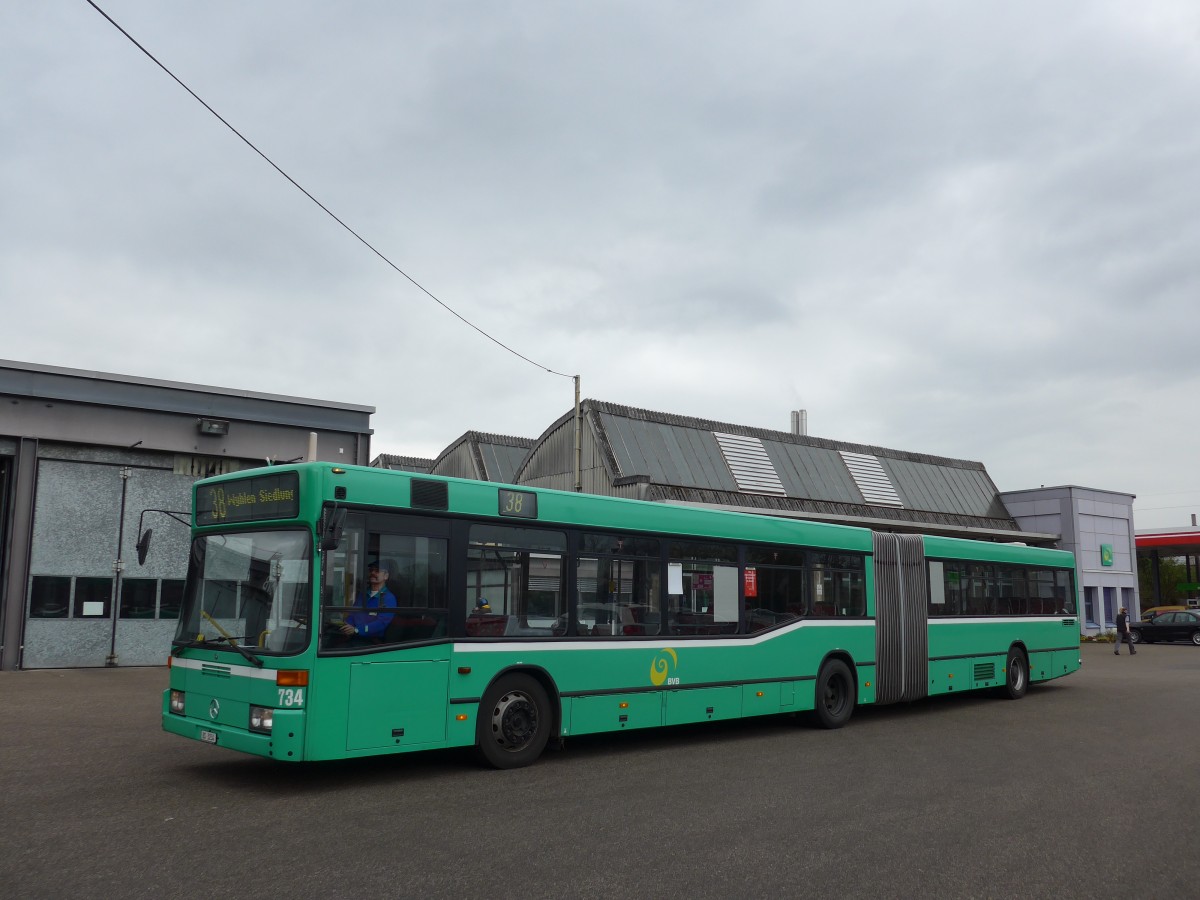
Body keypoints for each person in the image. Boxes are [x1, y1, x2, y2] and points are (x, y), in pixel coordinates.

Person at [339, 561, 397, 641]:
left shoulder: (387, 598)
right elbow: (353, 614)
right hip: (355, 637)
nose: (372, 573)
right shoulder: (363, 595)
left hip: (372, 642)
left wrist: (357, 630)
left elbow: (381, 623)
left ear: (386, 576)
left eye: (377, 571)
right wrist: (346, 625)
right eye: (371, 570)